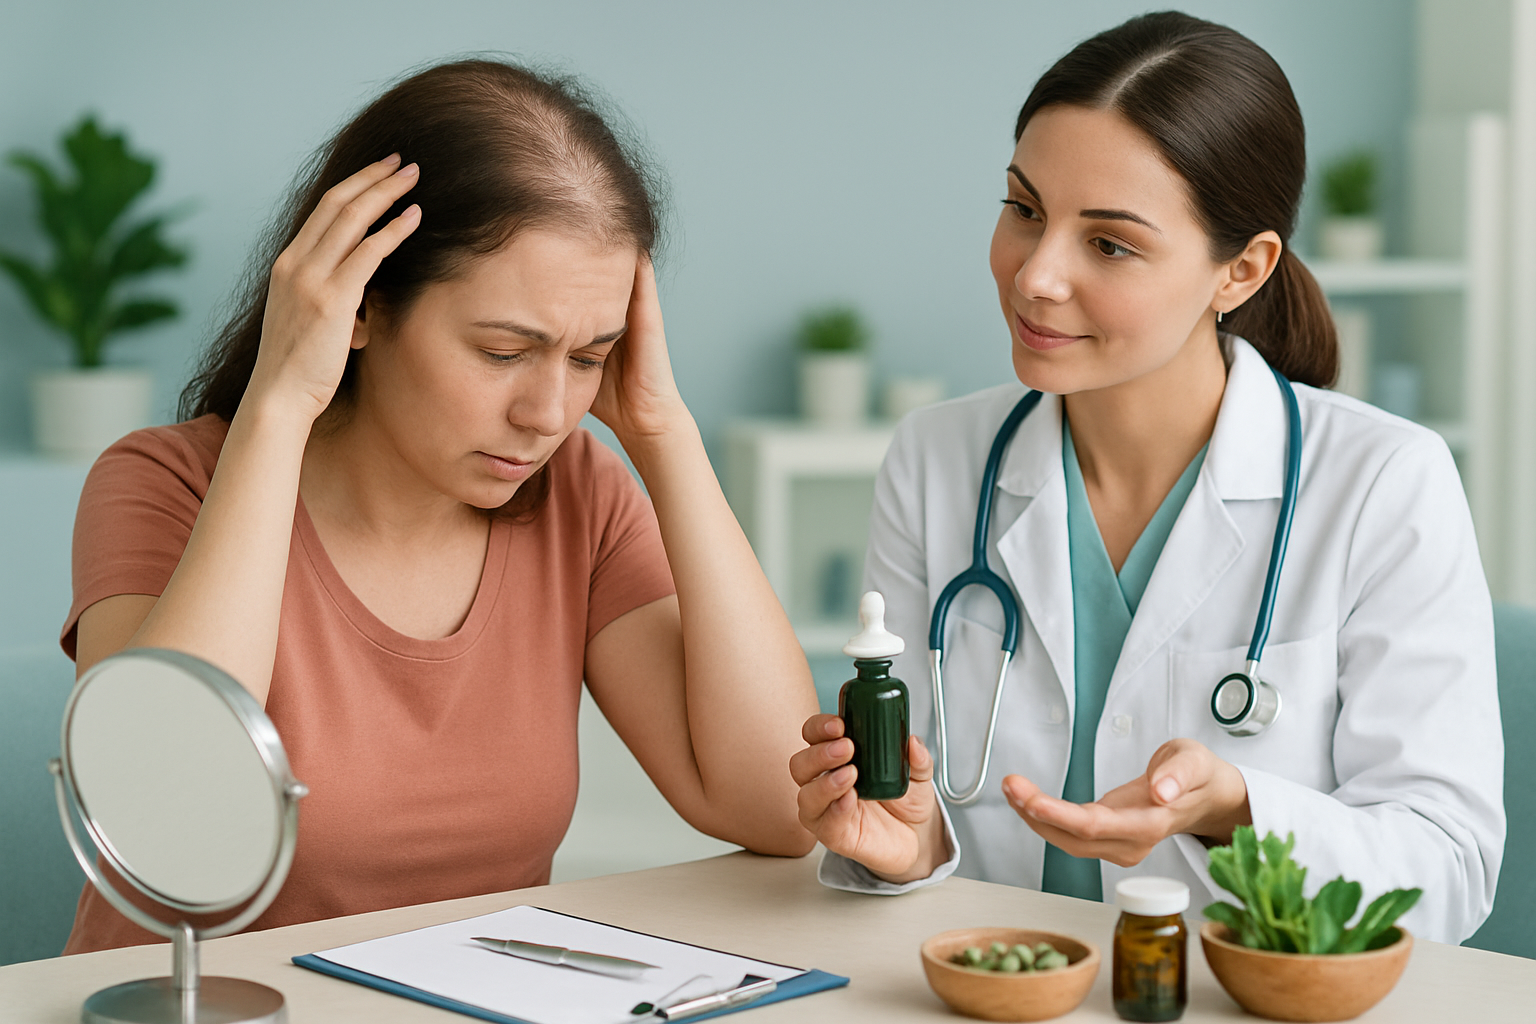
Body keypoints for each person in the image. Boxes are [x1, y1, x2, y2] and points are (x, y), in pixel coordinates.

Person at [61, 59, 817, 953]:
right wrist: (279, 400)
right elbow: (168, 827)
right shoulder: (163, 484)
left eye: (587, 360)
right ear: (361, 305)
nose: (546, 416)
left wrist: (663, 432)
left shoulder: (579, 496)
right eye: (504, 352)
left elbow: (779, 805)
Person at [791, 11, 1504, 944]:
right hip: (993, 996)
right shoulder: (938, 460)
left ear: (1240, 272)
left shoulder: (1384, 485)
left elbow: (1447, 871)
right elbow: (925, 818)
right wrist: (907, 844)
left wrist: (1237, 810)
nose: (1035, 275)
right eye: (1024, 210)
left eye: (1110, 244)